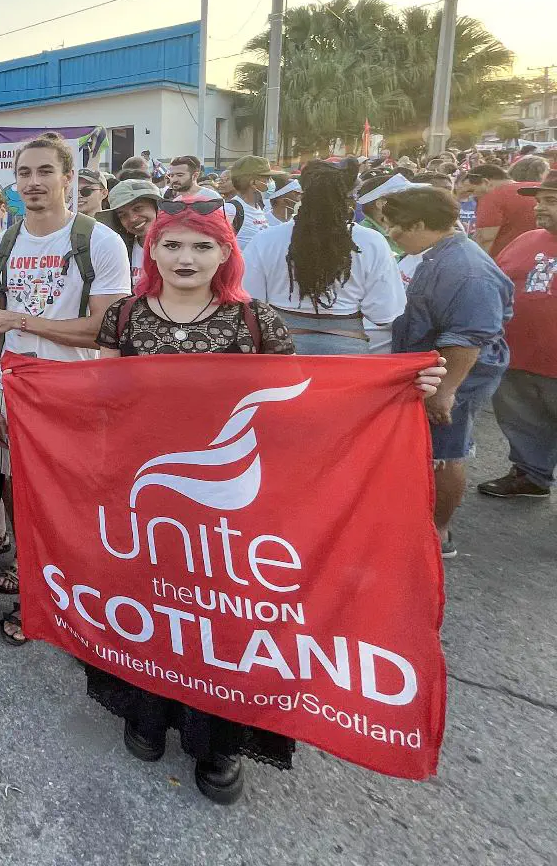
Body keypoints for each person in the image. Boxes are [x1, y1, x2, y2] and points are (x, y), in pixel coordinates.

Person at [86, 198, 445, 803]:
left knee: (219, 613)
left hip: (228, 501)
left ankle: (217, 743)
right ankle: (144, 714)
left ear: (227, 253)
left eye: (202, 245)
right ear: (151, 250)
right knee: (152, 600)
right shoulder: (123, 316)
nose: (185, 257)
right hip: (146, 490)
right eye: (172, 244)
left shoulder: (254, 321)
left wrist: (398, 387)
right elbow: (98, 397)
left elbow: (300, 401)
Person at [0, 137, 133, 644]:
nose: (33, 182)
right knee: (20, 489)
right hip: (15, 385)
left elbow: (104, 330)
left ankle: (77, 589)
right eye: (24, 173)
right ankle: (31, 578)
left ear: (70, 178)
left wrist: (26, 319)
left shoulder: (100, 242)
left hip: (75, 386)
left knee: (72, 495)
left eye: (45, 171)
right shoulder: (0, 245)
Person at [383, 185, 512, 558]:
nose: (392, 235)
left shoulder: (467, 271)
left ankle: (438, 534)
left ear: (421, 224)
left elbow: (469, 338)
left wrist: (445, 391)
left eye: (397, 228)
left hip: (454, 374)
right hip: (435, 370)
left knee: (444, 452)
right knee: (429, 451)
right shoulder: (439, 254)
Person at [242, 160, 406, 354]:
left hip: (283, 350)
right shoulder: (372, 243)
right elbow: (384, 314)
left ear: (302, 192)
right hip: (346, 355)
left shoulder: (265, 240)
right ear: (351, 197)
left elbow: (250, 304)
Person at [481, 175, 557, 501]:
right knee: (522, 420)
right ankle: (530, 475)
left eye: (551, 201)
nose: (540, 207)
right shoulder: (527, 238)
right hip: (518, 354)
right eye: (540, 200)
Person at [97, 178, 163, 290]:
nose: (132, 219)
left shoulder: (178, 247)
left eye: (138, 208)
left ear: (157, 207)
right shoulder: (118, 249)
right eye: (122, 215)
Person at [474, 157, 546, 259]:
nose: (473, 197)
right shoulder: (544, 191)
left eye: (472, 191)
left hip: (503, 263)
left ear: (486, 182)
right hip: (543, 262)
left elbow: (485, 238)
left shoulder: (494, 196)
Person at [222, 155, 273, 249]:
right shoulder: (231, 209)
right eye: (266, 178)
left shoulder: (259, 206)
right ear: (253, 182)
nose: (270, 182)